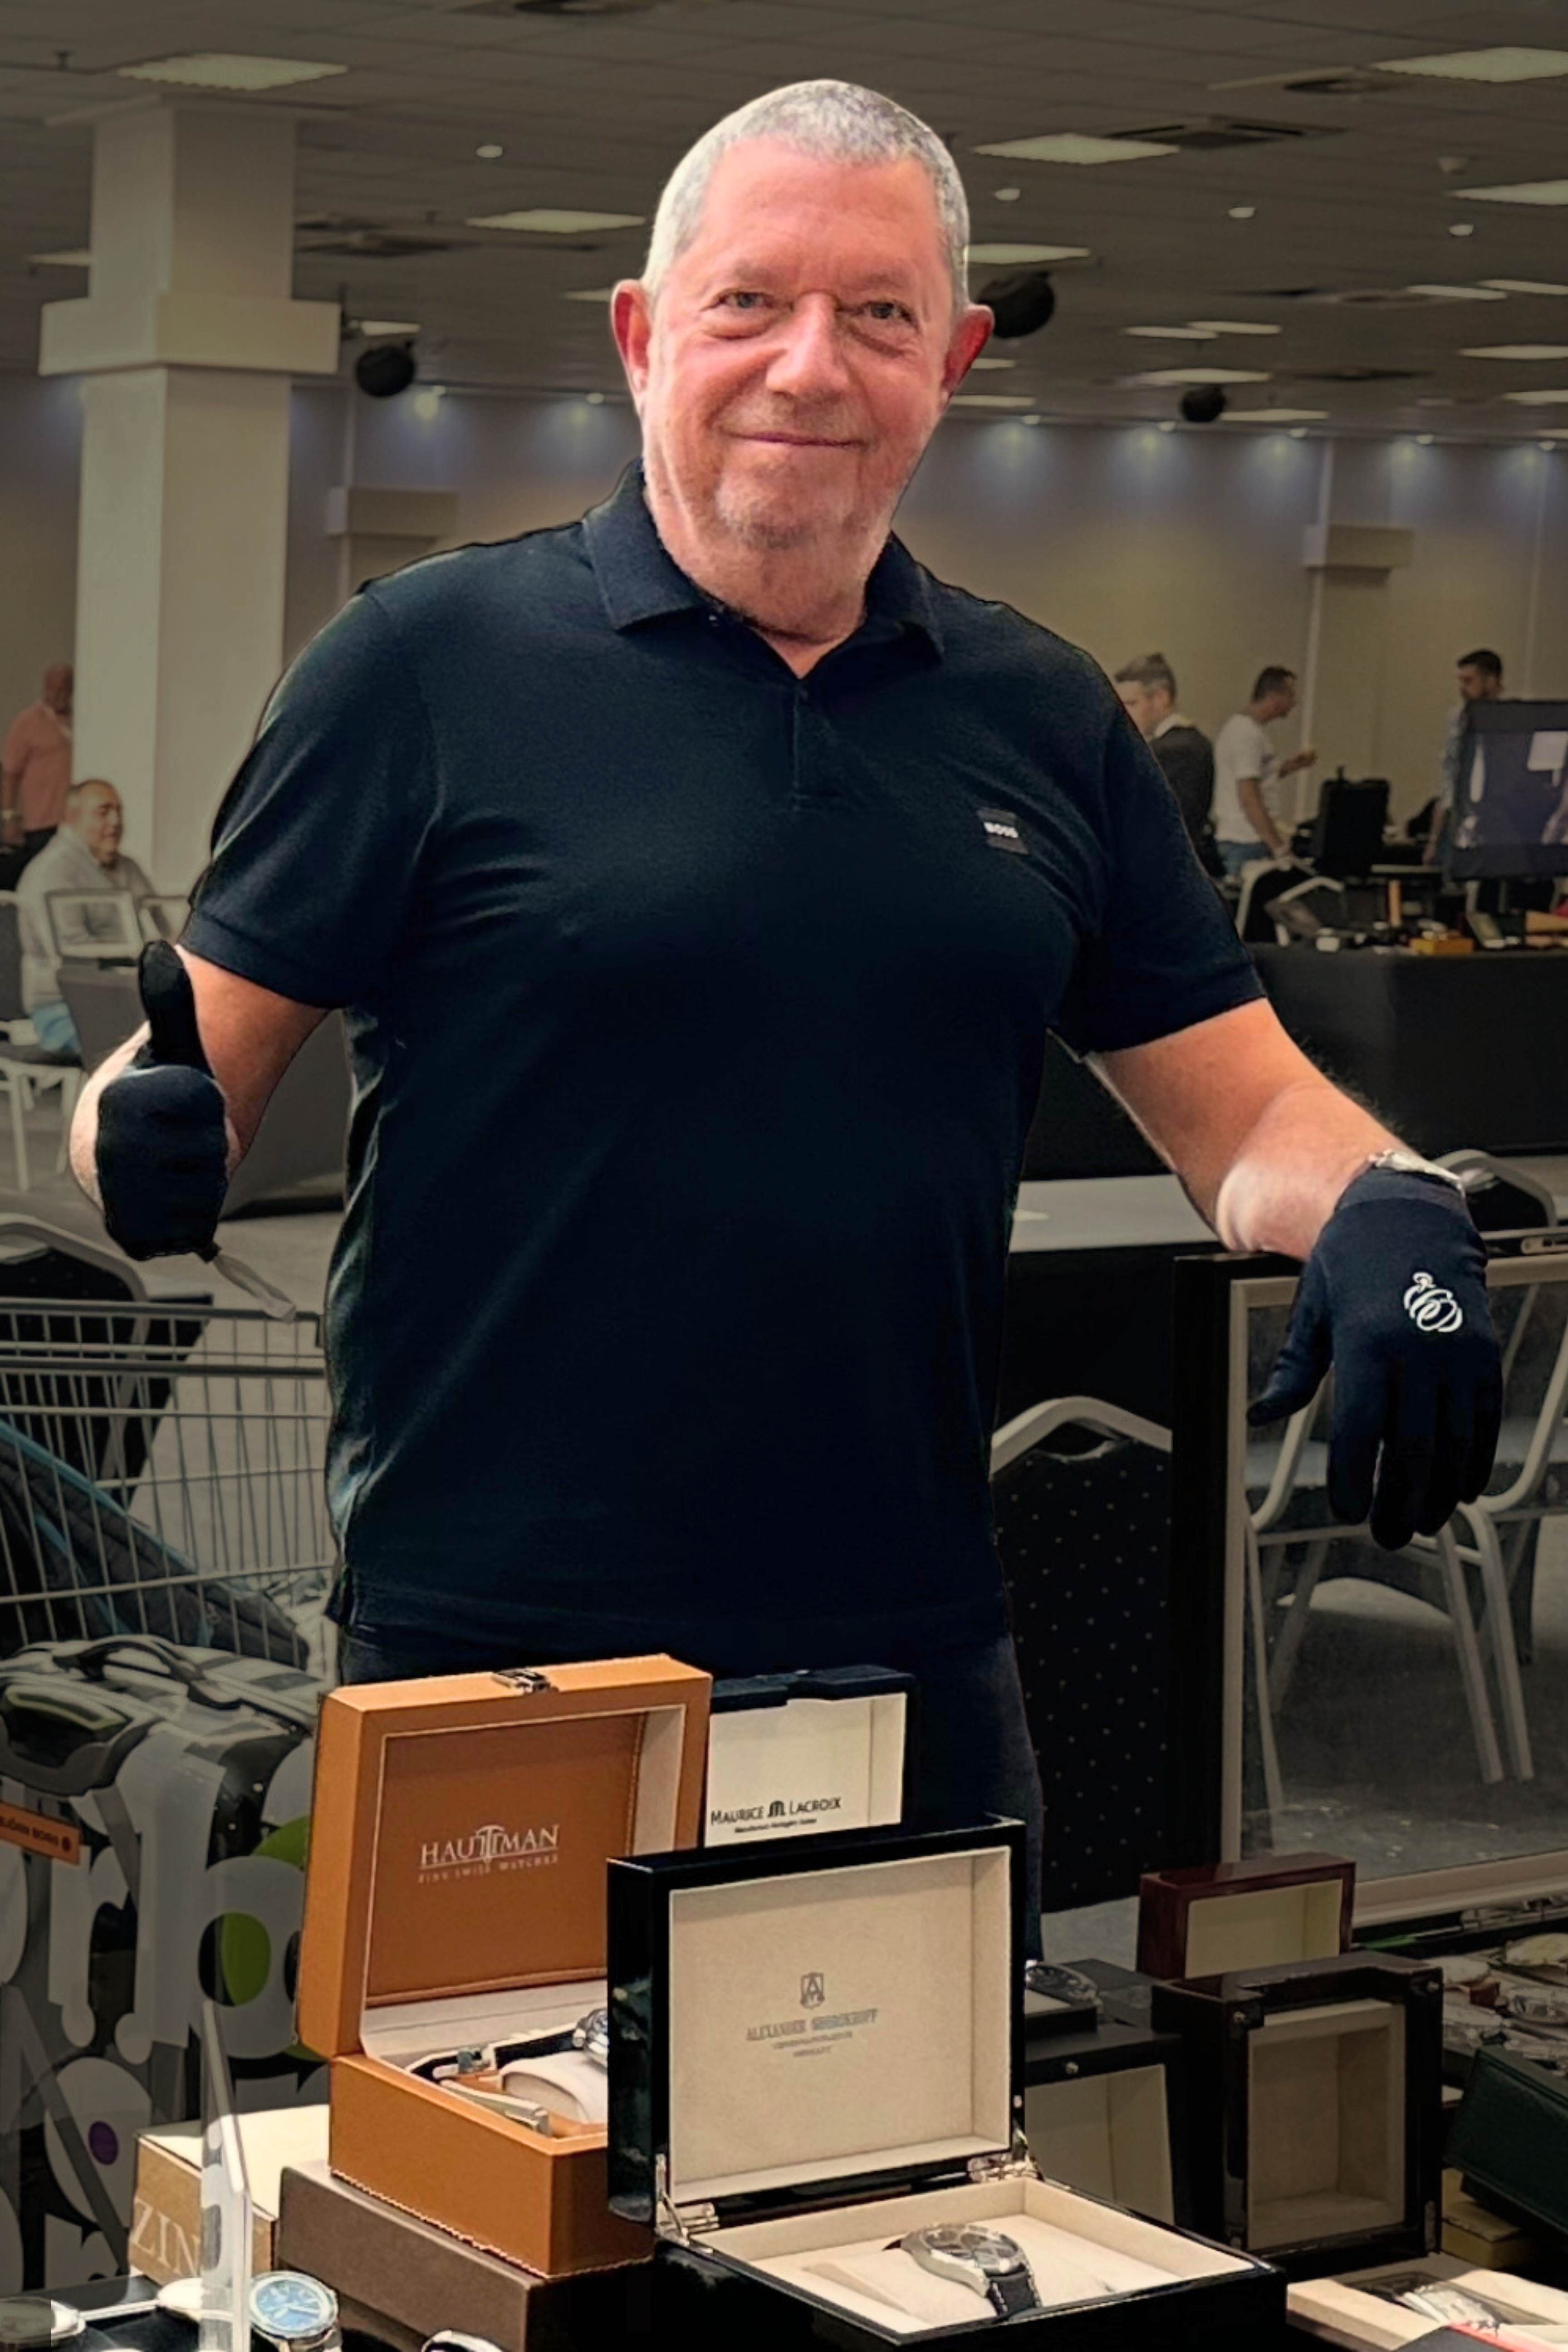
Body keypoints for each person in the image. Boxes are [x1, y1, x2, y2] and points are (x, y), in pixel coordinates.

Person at [71, 81, 1500, 1950]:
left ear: (951, 361)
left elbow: (1239, 1113)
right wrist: (138, 1127)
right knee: (487, 2145)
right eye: (748, 303)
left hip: (905, 1647)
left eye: (877, 315)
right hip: (504, 1651)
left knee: (910, 2141)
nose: (808, 366)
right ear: (642, 334)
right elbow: (178, 1068)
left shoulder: (1038, 715)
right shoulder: (424, 669)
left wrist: (1389, 1199)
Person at [16, 781, 153, 1054]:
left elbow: (162, 929)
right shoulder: (52, 872)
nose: (116, 822)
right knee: (144, 1053)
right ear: (73, 818)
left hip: (126, 1003)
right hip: (64, 1010)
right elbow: (75, 963)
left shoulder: (128, 868)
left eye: (118, 812)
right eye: (104, 812)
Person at [1112, 653, 1217, 866]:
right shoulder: (1192, 742)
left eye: (1131, 704)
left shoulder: (1172, 750)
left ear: (1161, 698)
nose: (1124, 715)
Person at [1211, 666, 1317, 877]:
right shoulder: (1247, 736)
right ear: (1274, 697)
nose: (1294, 703)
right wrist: (1278, 846)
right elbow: (1249, 796)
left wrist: (1290, 766)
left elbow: (1257, 780)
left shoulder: (1246, 731)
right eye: (1291, 695)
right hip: (1247, 841)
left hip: (1245, 840)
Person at [1425, 647, 1505, 867]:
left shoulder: (1509, 723)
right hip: (1459, 817)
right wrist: (1434, 840)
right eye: (1461, 681)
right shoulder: (1457, 720)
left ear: (1491, 682)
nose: (1463, 688)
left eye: (1469, 681)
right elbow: (1449, 780)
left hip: (1496, 821)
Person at [2, 664, 74, 868]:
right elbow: (11, 773)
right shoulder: (28, 721)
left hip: (72, 822)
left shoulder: (79, 719)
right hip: (41, 824)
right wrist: (9, 818)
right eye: (52, 688)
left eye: (63, 688)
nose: (57, 694)